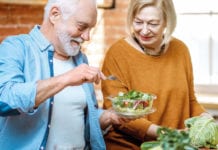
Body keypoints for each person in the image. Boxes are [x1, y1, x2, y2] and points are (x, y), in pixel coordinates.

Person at [0, 0, 126, 150]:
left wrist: (108, 117)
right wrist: (66, 78)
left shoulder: (80, 59)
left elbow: (77, 120)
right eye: (81, 26)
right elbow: (4, 100)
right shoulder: (16, 47)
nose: (87, 37)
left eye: (90, 29)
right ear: (55, 15)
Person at [101, 0, 212, 149]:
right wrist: (167, 133)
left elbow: (190, 100)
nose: (144, 31)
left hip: (173, 143)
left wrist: (205, 119)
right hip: (129, 145)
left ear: (167, 22)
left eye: (153, 24)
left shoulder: (180, 50)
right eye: (138, 22)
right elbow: (119, 114)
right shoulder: (117, 54)